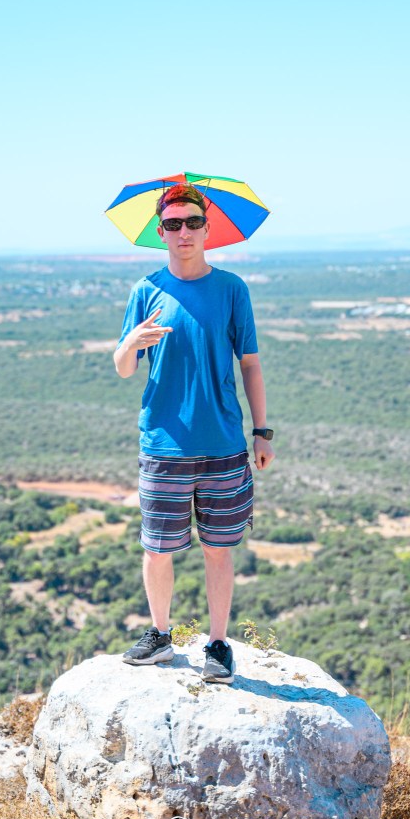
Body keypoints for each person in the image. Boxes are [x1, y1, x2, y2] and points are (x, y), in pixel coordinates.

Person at [113, 182, 274, 683]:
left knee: (218, 549)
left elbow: (250, 364)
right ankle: (160, 636)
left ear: (207, 229)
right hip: (164, 443)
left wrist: (262, 430)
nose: (184, 232)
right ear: (161, 232)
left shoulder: (231, 289)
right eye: (173, 224)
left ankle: (218, 644)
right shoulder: (146, 290)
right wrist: (131, 343)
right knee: (157, 548)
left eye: (193, 222)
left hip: (224, 442)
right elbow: (123, 368)